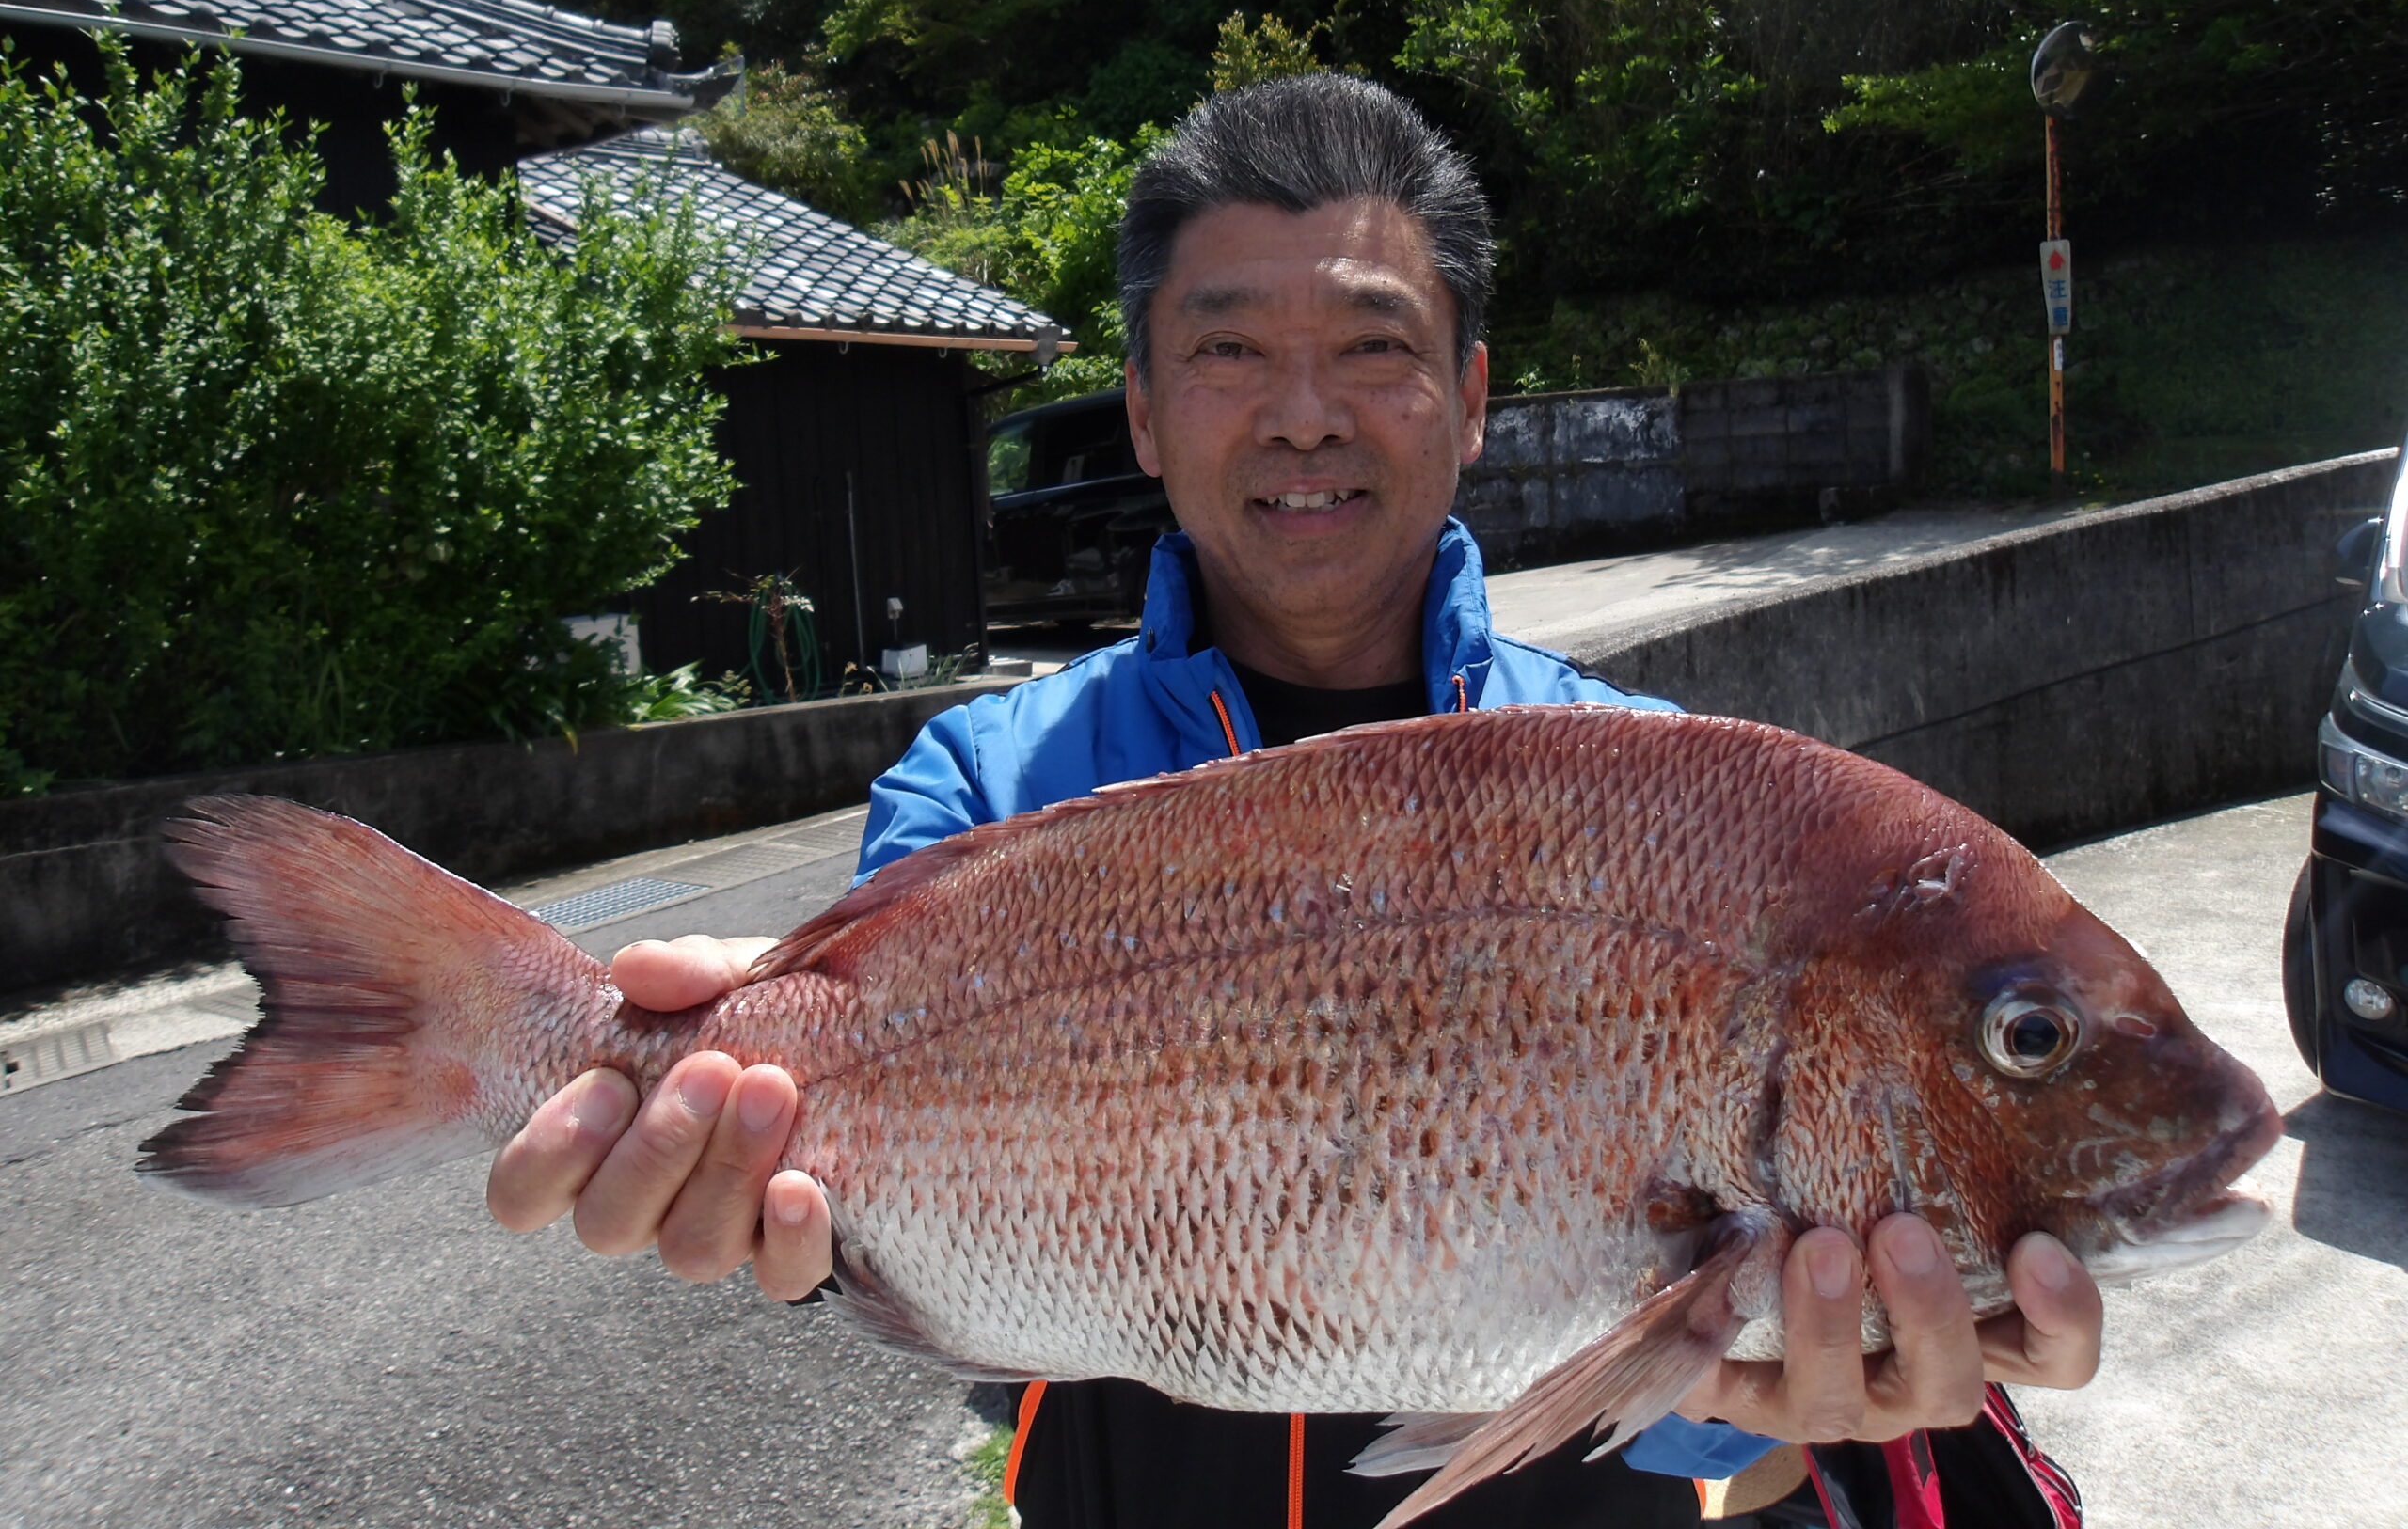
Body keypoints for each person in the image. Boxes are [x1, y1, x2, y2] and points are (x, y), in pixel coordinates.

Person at [485, 76, 2103, 1526]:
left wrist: (1772, 1409)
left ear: (1471, 399)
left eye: (1375, 349)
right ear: (1139, 411)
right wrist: (758, 1192)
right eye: (1231, 351)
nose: (1305, 412)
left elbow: (1718, 1442)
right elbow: (884, 1237)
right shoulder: (979, 785)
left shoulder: (1659, 793)